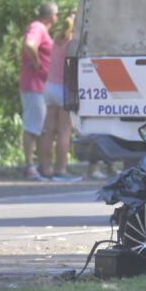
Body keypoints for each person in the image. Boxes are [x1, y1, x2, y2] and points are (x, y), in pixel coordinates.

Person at [37, 13, 82, 182]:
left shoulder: (57, 41)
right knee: (64, 131)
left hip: (50, 87)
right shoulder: (72, 43)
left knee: (49, 130)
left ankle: (45, 168)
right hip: (64, 89)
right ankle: (61, 170)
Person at [20, 1, 58, 180]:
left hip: (40, 86)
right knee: (32, 127)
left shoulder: (42, 30)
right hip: (34, 85)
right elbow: (29, 44)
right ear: (52, 16)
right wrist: (36, 63)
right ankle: (30, 166)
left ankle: (41, 166)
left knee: (40, 127)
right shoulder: (38, 27)